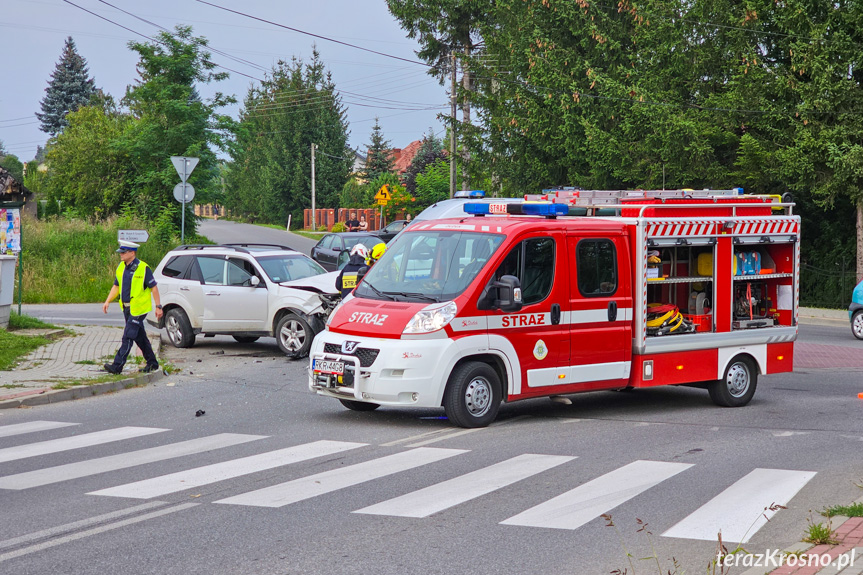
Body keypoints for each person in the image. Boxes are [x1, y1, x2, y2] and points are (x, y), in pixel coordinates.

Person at [102, 240, 163, 374]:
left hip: (139, 309)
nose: (121, 255)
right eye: (120, 252)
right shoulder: (121, 267)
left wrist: (159, 306)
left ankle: (117, 366)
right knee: (139, 337)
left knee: (128, 336)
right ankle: (152, 363)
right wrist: (107, 301)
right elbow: (116, 286)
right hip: (127, 308)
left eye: (123, 252)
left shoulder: (143, 268)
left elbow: (154, 288)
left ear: (132, 253)